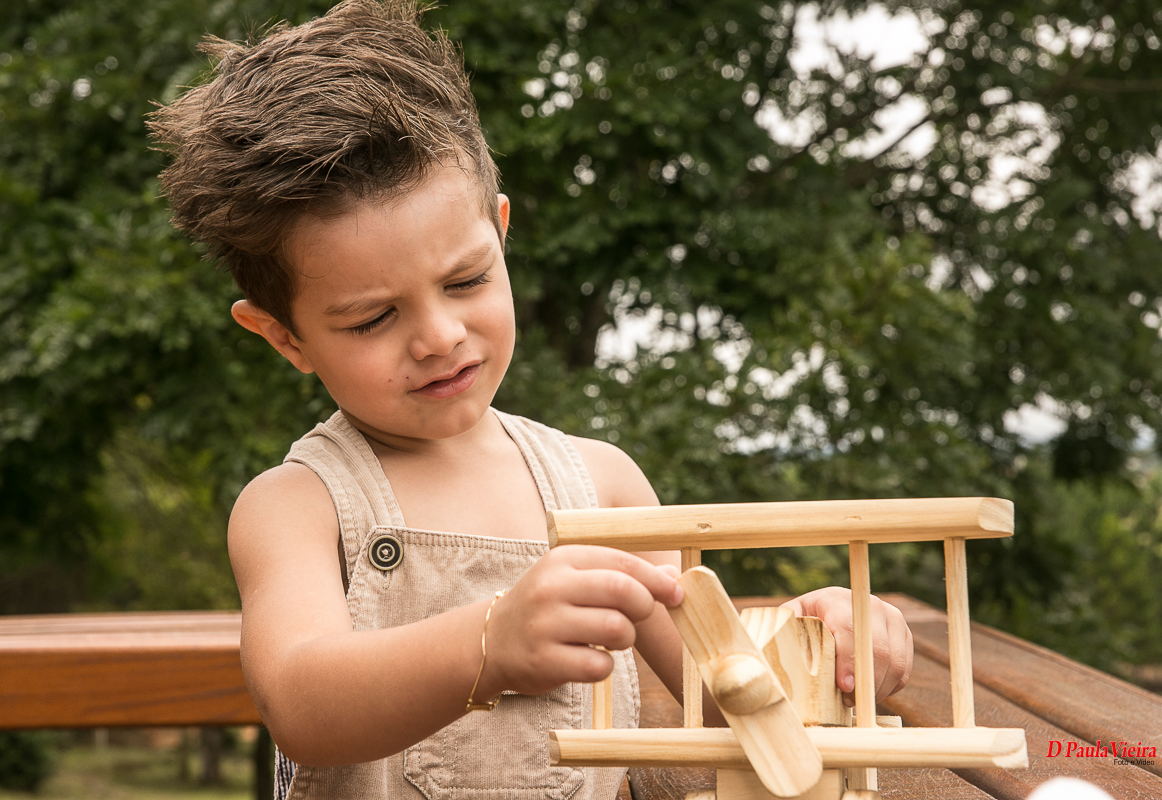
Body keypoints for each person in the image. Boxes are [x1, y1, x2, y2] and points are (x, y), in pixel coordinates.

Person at [149, 2, 913, 798]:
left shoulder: (605, 489)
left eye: (466, 279)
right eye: (373, 318)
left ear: (501, 231)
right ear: (285, 337)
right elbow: (303, 705)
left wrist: (821, 646)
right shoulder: (296, 506)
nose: (439, 336)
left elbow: (729, 695)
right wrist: (489, 642)